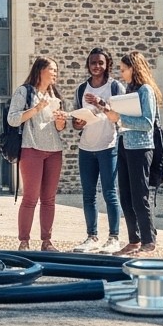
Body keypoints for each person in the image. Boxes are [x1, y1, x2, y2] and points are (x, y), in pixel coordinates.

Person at [104, 50, 162, 257]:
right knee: (126, 196)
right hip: (125, 145)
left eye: (123, 69)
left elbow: (147, 123)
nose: (121, 74)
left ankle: (149, 241)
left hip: (141, 147)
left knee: (140, 195)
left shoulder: (146, 90)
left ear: (134, 68)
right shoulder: (130, 89)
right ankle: (134, 240)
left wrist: (119, 118)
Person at [7, 56, 68, 250]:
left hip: (54, 151)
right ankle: (24, 241)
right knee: (30, 197)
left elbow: (59, 128)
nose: (55, 74)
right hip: (31, 149)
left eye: (56, 71)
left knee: (49, 199)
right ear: (40, 70)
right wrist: (36, 108)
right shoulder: (23, 92)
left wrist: (61, 121)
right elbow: (13, 119)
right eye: (52, 70)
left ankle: (46, 241)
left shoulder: (55, 95)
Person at [69, 47, 126, 253]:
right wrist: (77, 122)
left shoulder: (115, 88)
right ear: (88, 65)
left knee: (110, 193)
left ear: (107, 64)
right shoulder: (81, 89)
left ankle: (114, 238)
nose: (96, 66)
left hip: (108, 146)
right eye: (93, 62)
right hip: (86, 148)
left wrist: (101, 104)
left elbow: (120, 117)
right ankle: (91, 237)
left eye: (100, 62)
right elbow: (76, 124)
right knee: (88, 195)